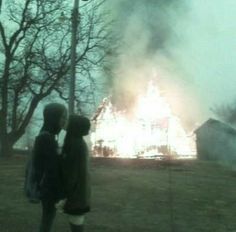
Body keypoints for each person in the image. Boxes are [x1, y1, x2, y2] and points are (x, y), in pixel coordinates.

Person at [33, 103, 67, 232]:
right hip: (49, 189)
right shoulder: (47, 139)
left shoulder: (46, 136)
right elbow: (51, 170)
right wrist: (61, 193)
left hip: (46, 188)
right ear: (53, 118)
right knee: (47, 221)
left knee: (47, 220)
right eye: (62, 117)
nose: (64, 120)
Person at [61, 115, 91, 232]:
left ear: (74, 126)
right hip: (78, 191)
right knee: (75, 222)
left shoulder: (75, 144)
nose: (65, 122)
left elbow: (71, 173)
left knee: (76, 225)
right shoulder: (77, 142)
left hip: (76, 193)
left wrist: (65, 193)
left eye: (68, 121)